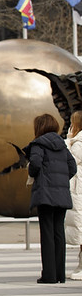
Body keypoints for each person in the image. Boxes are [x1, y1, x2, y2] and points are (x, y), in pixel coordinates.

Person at [28, 113, 76, 284]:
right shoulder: (62, 146)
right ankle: (59, 275)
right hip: (61, 195)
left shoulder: (38, 144)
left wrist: (35, 175)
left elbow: (35, 164)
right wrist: (60, 180)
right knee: (58, 233)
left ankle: (49, 275)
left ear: (39, 127)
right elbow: (72, 167)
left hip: (45, 195)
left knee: (47, 234)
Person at [66, 110, 82, 281]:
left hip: (79, 191)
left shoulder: (79, 142)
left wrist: (69, 140)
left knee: (80, 227)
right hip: (79, 190)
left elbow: (70, 160)